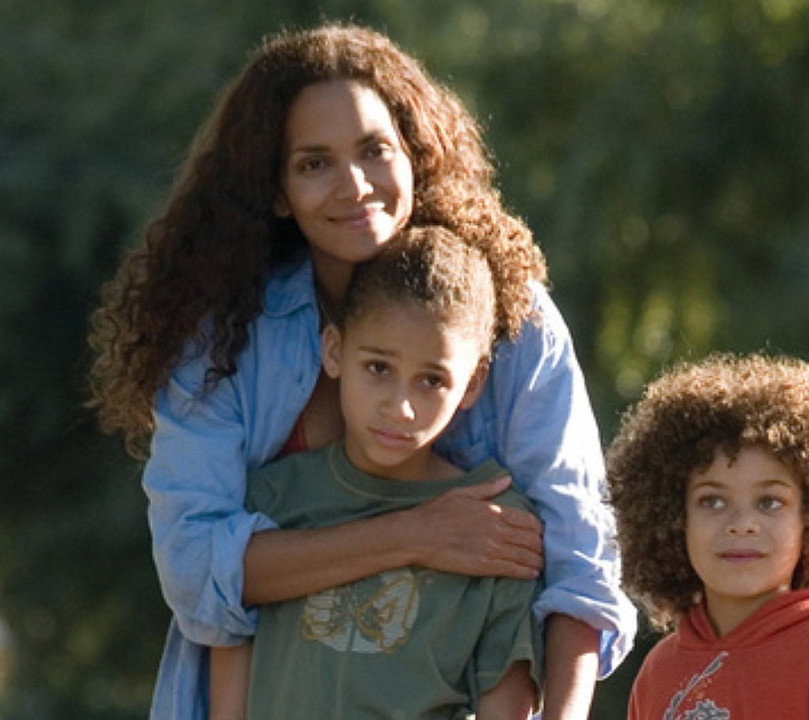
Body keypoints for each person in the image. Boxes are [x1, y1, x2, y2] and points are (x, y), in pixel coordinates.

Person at [86, 22, 634, 720]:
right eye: (315, 163)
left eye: (375, 150)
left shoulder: (513, 321)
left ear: (414, 154)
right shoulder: (221, 337)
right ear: (277, 190)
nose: (354, 185)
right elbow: (197, 570)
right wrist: (415, 534)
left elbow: (577, 556)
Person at [209, 227, 541, 719]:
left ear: (472, 383)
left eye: (432, 380)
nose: (401, 407)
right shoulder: (271, 500)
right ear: (334, 351)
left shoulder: (497, 525)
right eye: (379, 368)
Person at [605, 352, 809, 719]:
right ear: (672, 516)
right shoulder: (659, 671)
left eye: (769, 502)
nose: (742, 523)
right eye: (712, 501)